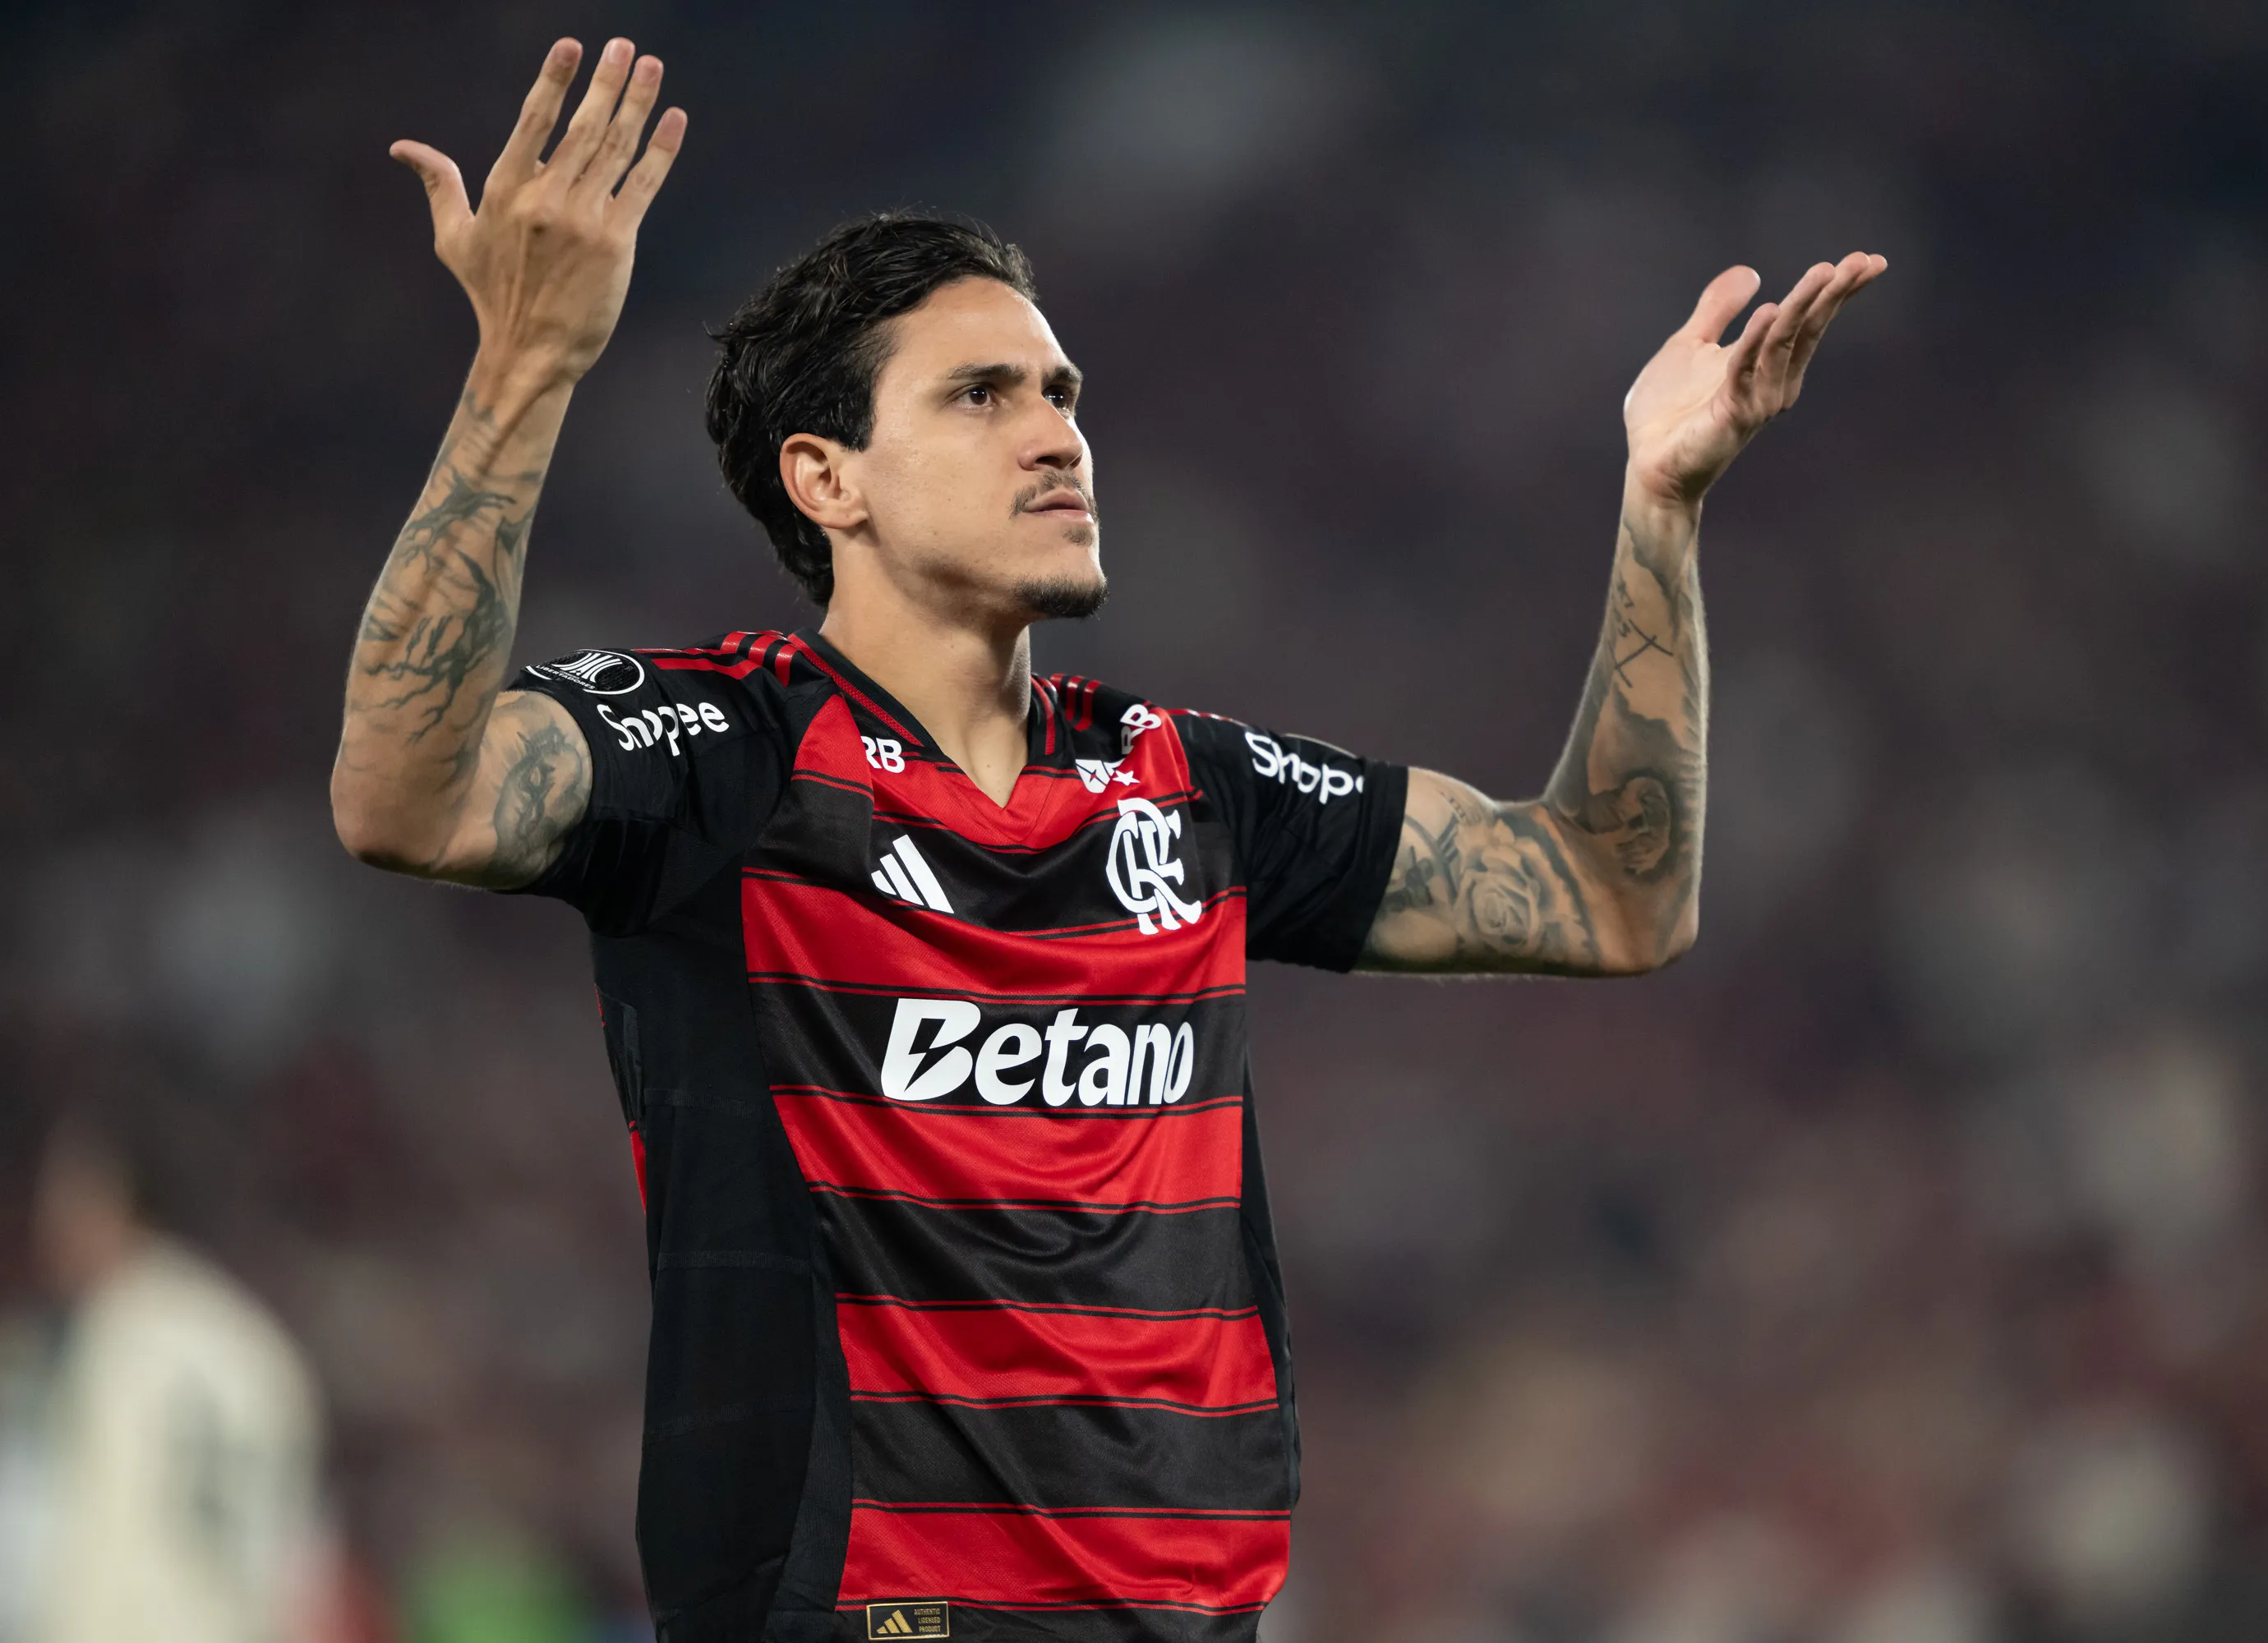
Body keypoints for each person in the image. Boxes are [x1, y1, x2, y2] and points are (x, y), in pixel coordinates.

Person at [330, 35, 1883, 1643]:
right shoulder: (724, 752)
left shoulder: (1179, 783)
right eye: (982, 394)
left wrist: (1661, 506)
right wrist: (525, 369)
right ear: (827, 476)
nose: (1057, 433)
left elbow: (1613, 893)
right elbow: (404, 795)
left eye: (1061, 391)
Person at [26, 1112, 325, 1643]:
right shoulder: (254, 1342)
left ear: (117, 1201)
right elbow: (296, 1556)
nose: (48, 1224)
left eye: (66, 1198)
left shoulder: (119, 1334)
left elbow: (100, 1546)